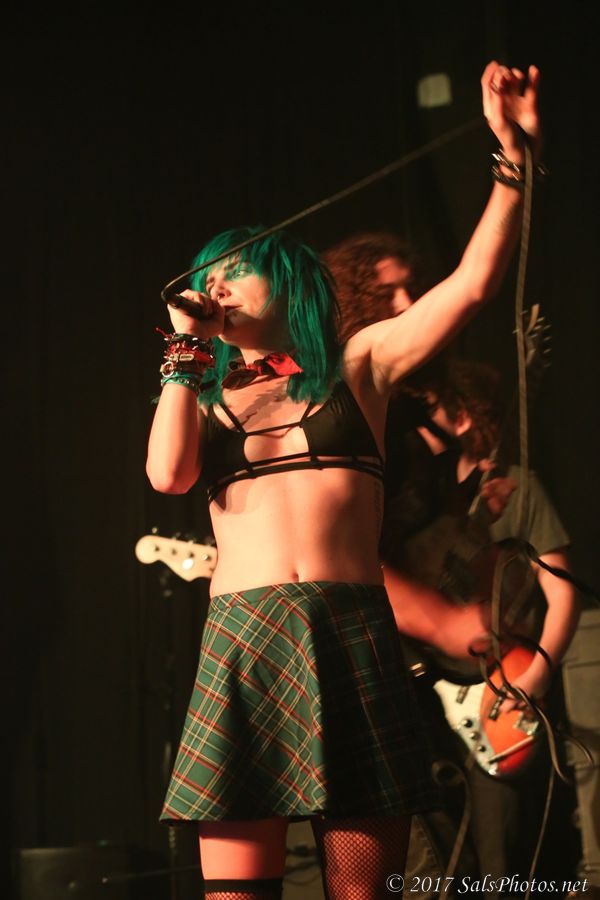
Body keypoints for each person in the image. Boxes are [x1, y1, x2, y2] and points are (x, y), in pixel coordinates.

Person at [146, 62, 541, 900]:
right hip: (245, 642)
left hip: (349, 629)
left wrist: (512, 158)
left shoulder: (358, 365)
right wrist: (185, 355)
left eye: (233, 272)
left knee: (363, 890)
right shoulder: (206, 395)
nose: (214, 287)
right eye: (206, 278)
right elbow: (168, 474)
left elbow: (472, 287)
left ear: (286, 279)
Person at [381, 359, 580, 888]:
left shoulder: (518, 487)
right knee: (443, 862)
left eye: (433, 407)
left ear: (463, 416)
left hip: (498, 692)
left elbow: (563, 595)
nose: (419, 417)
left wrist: (534, 677)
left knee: (499, 863)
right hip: (432, 699)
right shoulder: (424, 498)